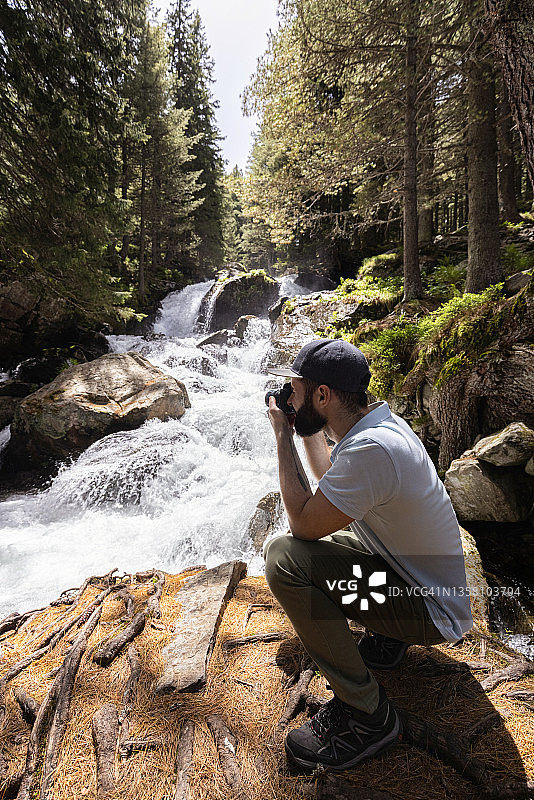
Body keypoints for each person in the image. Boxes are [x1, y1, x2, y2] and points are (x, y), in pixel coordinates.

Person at [264, 338, 473, 773]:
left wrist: (283, 434)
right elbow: (330, 481)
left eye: (296, 390)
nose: (289, 398)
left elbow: (302, 523)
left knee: (284, 558)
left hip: (431, 609)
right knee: (317, 538)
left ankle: (367, 715)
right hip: (419, 581)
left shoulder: (372, 451)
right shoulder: (379, 429)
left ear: (323, 395)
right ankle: (389, 638)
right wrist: (305, 428)